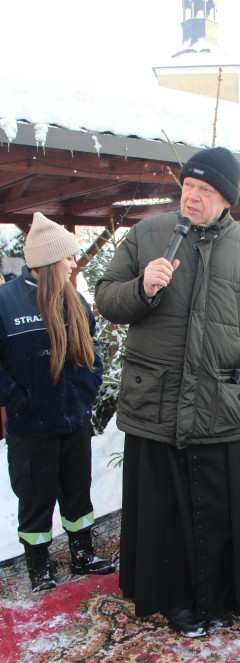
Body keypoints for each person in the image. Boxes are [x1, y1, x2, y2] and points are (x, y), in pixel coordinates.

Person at [95, 146, 240, 638]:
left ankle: (221, 596)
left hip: (215, 406)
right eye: (188, 187)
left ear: (226, 199)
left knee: (214, 508)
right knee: (165, 509)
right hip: (154, 402)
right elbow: (105, 299)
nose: (192, 197)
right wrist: (140, 288)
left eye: (205, 191)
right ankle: (175, 601)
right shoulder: (147, 235)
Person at [0, 212, 112, 592]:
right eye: (67, 257)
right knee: (36, 499)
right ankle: (39, 566)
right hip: (31, 428)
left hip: (74, 422)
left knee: (78, 492)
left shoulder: (75, 300)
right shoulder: (6, 302)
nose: (72, 263)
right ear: (50, 261)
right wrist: (14, 399)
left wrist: (88, 387)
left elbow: (93, 353)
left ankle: (82, 554)